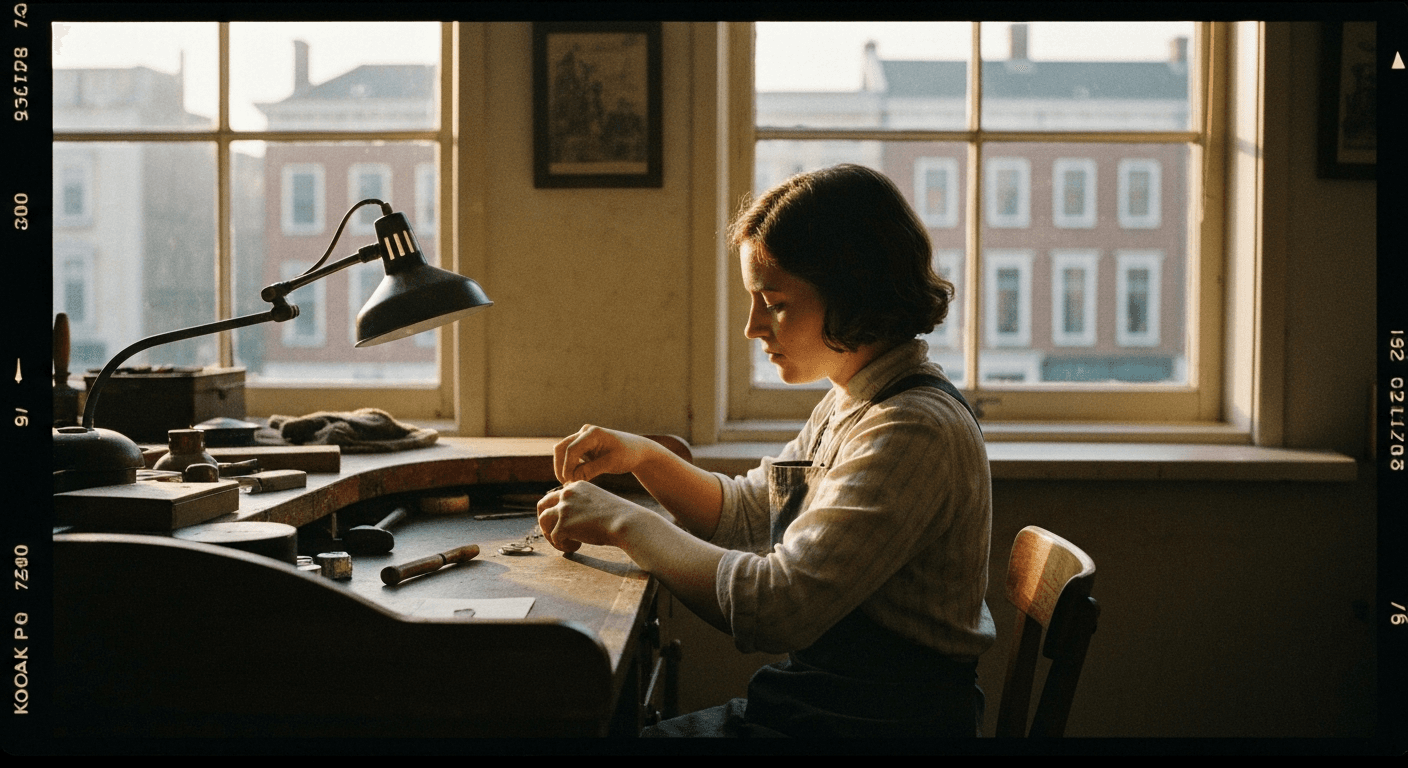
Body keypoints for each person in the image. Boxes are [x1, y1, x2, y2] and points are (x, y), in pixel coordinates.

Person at [535, 164, 996, 738]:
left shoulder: (911, 429)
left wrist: (628, 525)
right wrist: (644, 458)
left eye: (773, 301)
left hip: (877, 723)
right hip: (825, 706)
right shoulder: (853, 401)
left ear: (851, 292)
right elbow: (752, 513)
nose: (754, 326)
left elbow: (780, 606)